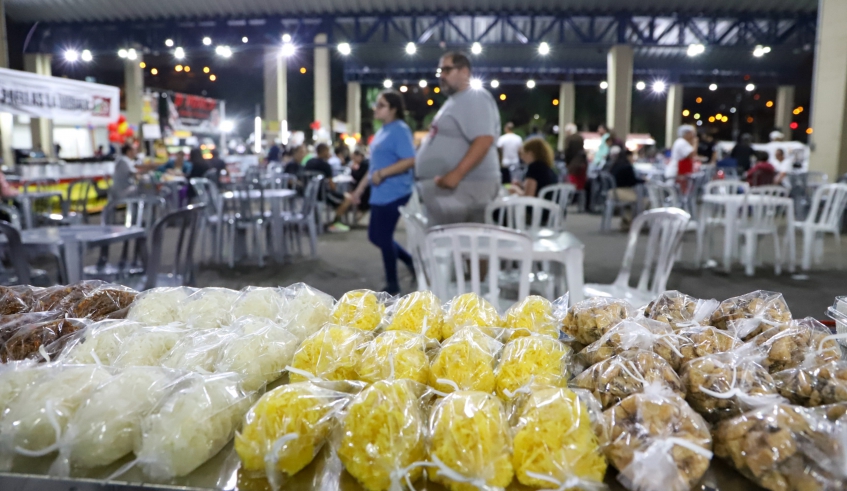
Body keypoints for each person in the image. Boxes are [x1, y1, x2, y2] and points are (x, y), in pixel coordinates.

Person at [415, 51, 501, 226]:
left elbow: (483, 140)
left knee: (469, 246)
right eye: (440, 72)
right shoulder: (457, 100)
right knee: (458, 246)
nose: (442, 76)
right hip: (457, 189)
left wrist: (456, 174)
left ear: (465, 72)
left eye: (447, 70)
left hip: (468, 185)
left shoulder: (474, 97)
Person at [347, 90, 416, 294]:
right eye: (377, 104)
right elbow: (374, 166)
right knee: (375, 236)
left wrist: (384, 173)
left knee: (384, 237)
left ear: (393, 109)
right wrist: (359, 190)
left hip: (396, 191)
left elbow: (410, 159)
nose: (376, 108)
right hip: (379, 192)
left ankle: (392, 285)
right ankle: (410, 261)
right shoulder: (382, 131)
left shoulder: (400, 130)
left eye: (381, 105)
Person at [304, 143, 349, 232]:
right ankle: (335, 223)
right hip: (323, 194)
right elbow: (332, 185)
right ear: (324, 152)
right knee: (348, 198)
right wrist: (336, 191)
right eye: (328, 151)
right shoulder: (325, 165)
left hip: (309, 193)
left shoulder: (309, 162)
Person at [609, 148, 645, 229]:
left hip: (613, 191)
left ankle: (626, 222)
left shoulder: (615, 164)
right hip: (621, 192)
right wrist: (643, 180)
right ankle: (638, 223)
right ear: (628, 156)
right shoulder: (627, 166)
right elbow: (632, 181)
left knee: (632, 200)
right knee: (641, 201)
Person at [563, 123, 587, 190]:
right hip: (582, 164)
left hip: (573, 165)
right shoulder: (580, 138)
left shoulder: (568, 139)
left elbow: (567, 152)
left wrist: (567, 163)